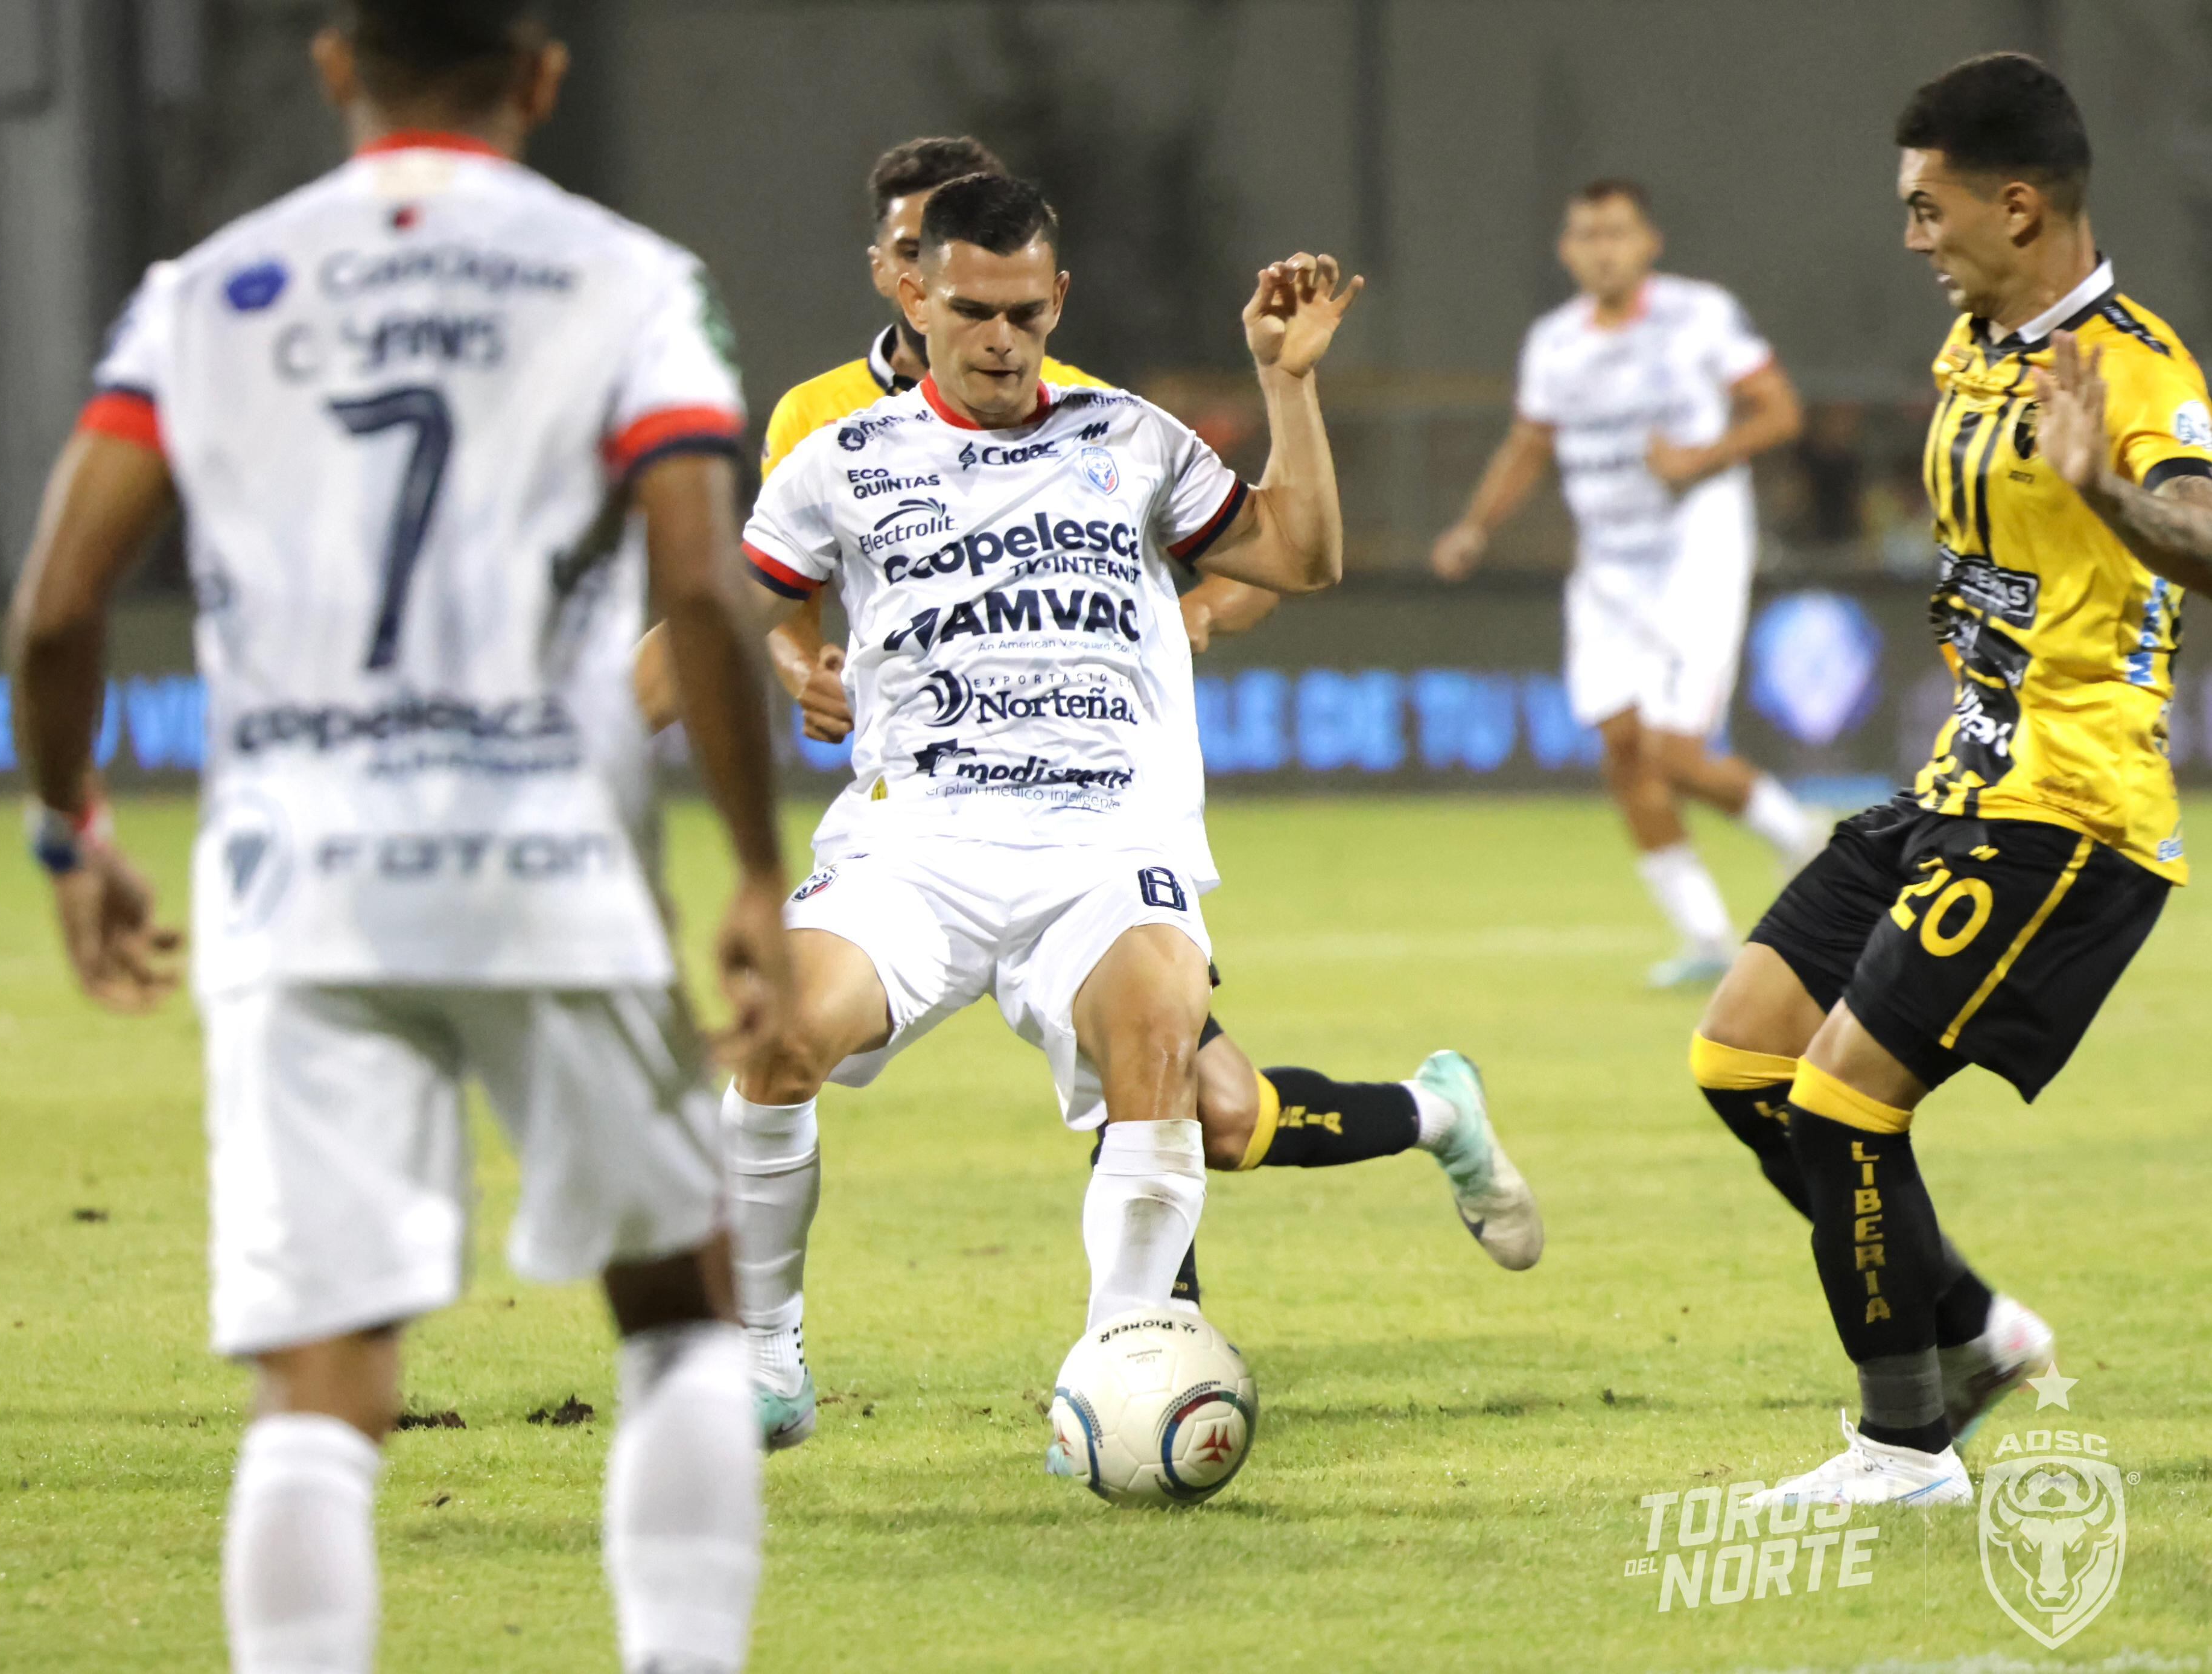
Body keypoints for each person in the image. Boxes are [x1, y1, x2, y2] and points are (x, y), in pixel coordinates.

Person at [2, 4, 792, 1669]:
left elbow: (59, 605)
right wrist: (751, 864)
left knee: (323, 1375)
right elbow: (704, 583)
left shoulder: (204, 295)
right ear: (544, 74)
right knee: (681, 1307)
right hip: (549, 871)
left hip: (300, 880)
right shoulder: (628, 279)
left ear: (334, 59)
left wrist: (71, 828)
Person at [640, 148, 1541, 1449]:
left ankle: (1119, 1364)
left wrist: (1286, 386)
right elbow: (715, 625)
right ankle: (766, 1359)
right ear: (915, 301)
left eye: (1028, 313)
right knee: (775, 1038)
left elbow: (1302, 556)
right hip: (917, 848)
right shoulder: (840, 457)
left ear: (1057, 297)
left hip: (1105, 849)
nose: (1003, 343)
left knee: (1168, 1055)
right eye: (973, 314)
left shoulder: (1129, 439)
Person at [1696, 53, 2212, 1509]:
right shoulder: (1980, 346)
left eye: (1928, 211)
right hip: (1958, 784)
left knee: (1845, 1107)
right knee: (1739, 1056)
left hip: (2070, 810)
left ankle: (1902, 1447)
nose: (1912, 239)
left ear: (2019, 203)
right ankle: (1975, 1334)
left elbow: (2200, 522)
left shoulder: (2132, 370)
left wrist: (2114, 495)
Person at [1431, 180, 1816, 988]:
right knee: (1620, 750)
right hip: (1607, 567)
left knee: (1673, 751)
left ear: (1650, 243)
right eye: (1586, 235)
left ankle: (1807, 841)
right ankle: (1707, 936)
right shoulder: (1553, 343)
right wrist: (1475, 527)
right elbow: (1530, 444)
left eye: (1617, 232)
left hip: (1695, 550)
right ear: (1567, 251)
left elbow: (1780, 412)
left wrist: (1696, 460)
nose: (1603, 248)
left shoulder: (1701, 313)